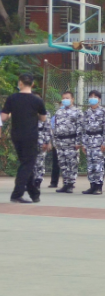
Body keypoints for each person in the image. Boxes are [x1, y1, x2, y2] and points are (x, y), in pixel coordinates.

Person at [0, 73, 48, 203]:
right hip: (30, 135)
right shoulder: (37, 100)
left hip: (16, 135)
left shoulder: (12, 98)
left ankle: (34, 194)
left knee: (26, 163)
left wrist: (12, 114)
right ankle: (17, 194)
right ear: (32, 84)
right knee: (27, 164)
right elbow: (43, 118)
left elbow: (3, 117)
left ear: (20, 83)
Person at [51, 91, 82, 193]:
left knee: (71, 163)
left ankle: (70, 184)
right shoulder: (59, 112)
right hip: (60, 141)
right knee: (62, 163)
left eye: (67, 98)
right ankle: (65, 183)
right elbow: (55, 127)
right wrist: (55, 141)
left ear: (72, 99)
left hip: (71, 141)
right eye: (63, 98)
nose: (65, 100)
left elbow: (80, 128)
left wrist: (78, 142)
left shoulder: (77, 112)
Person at [81, 90, 105, 195]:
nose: (93, 98)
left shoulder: (103, 112)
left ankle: (98, 186)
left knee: (98, 165)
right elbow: (84, 129)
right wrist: (84, 144)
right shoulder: (86, 112)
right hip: (89, 141)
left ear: (99, 99)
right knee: (90, 165)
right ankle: (92, 186)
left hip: (98, 141)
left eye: (95, 97)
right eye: (91, 96)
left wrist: (104, 143)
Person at [32, 93, 52, 191]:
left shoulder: (45, 113)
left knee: (39, 162)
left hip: (41, 139)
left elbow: (48, 128)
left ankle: (38, 181)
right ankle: (30, 182)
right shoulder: (27, 112)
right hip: (29, 140)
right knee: (29, 162)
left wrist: (47, 142)